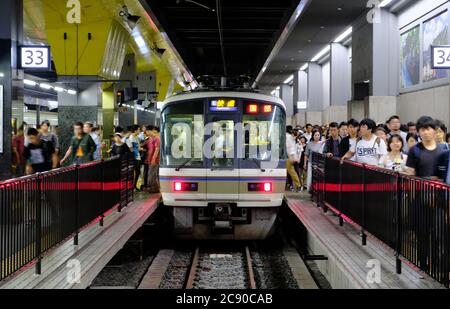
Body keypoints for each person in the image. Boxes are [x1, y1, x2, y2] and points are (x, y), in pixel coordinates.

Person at [126, 125, 143, 191]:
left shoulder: (136, 137)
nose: (139, 131)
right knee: (134, 172)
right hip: (134, 157)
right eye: (139, 129)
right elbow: (131, 149)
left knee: (138, 171)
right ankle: (132, 186)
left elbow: (137, 147)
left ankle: (135, 186)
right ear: (135, 130)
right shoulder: (131, 138)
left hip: (137, 156)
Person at [286, 126, 301, 192]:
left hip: (289, 157)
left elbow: (291, 149)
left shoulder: (290, 138)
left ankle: (298, 186)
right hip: (289, 157)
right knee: (291, 172)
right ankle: (297, 186)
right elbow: (290, 149)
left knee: (291, 172)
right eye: (296, 134)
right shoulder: (289, 138)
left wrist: (294, 158)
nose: (296, 136)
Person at [148, 126, 161, 193]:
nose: (147, 133)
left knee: (152, 174)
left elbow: (157, 149)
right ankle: (154, 188)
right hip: (150, 159)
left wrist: (154, 159)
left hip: (155, 160)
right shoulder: (150, 139)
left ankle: (155, 189)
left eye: (147, 131)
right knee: (152, 174)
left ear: (151, 131)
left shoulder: (157, 138)